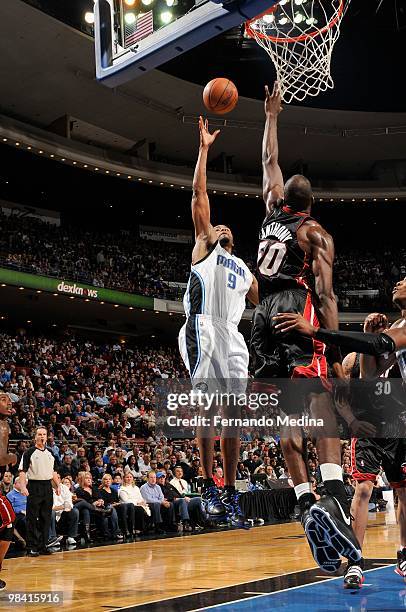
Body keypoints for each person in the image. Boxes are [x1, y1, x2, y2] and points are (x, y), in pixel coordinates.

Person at [251, 81, 360, 573]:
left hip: (260, 317)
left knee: (285, 418)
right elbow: (330, 295)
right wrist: (333, 351)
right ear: (312, 207)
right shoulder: (314, 234)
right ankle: (333, 498)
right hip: (295, 310)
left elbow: (269, 162)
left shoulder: (272, 208)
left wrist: (271, 116)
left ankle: (302, 501)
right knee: (324, 411)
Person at [274, 278, 406, 581]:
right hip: (375, 426)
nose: (398, 282)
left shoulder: (398, 332)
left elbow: (379, 345)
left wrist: (317, 331)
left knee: (403, 493)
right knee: (363, 488)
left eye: (405, 280)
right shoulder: (397, 326)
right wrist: (369, 338)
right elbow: (369, 373)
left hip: (398, 422)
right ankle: (356, 559)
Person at [178, 116, 258, 529]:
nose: (221, 226)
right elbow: (198, 192)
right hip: (203, 326)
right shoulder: (204, 247)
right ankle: (207, 483)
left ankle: (229, 489)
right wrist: (205, 148)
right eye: (216, 225)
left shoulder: (245, 270)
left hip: (233, 336)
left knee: (235, 415)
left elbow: (266, 304)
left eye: (226, 227)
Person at [18, 426, 60, 557]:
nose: (42, 437)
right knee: (32, 517)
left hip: (47, 486)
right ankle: (31, 546)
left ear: (47, 437)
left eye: (44, 434)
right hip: (34, 486)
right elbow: (22, 471)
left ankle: (43, 545)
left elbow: (53, 471)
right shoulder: (29, 452)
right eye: (39, 434)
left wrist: (57, 485)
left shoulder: (51, 453)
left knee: (46, 517)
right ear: (35, 437)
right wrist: (23, 487)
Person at [0, 392, 17, 590]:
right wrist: (12, 457)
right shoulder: (2, 425)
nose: (9, 401)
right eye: (3, 399)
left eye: (9, 399)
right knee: (9, 522)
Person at [48, 473, 78, 547]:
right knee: (51, 512)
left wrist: (61, 507)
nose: (57, 480)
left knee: (75, 511)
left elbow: (69, 505)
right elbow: (50, 507)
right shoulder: (47, 489)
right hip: (52, 515)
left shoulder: (64, 488)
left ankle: (71, 537)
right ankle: (53, 538)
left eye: (58, 478)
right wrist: (63, 506)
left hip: (63, 514)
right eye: (55, 478)